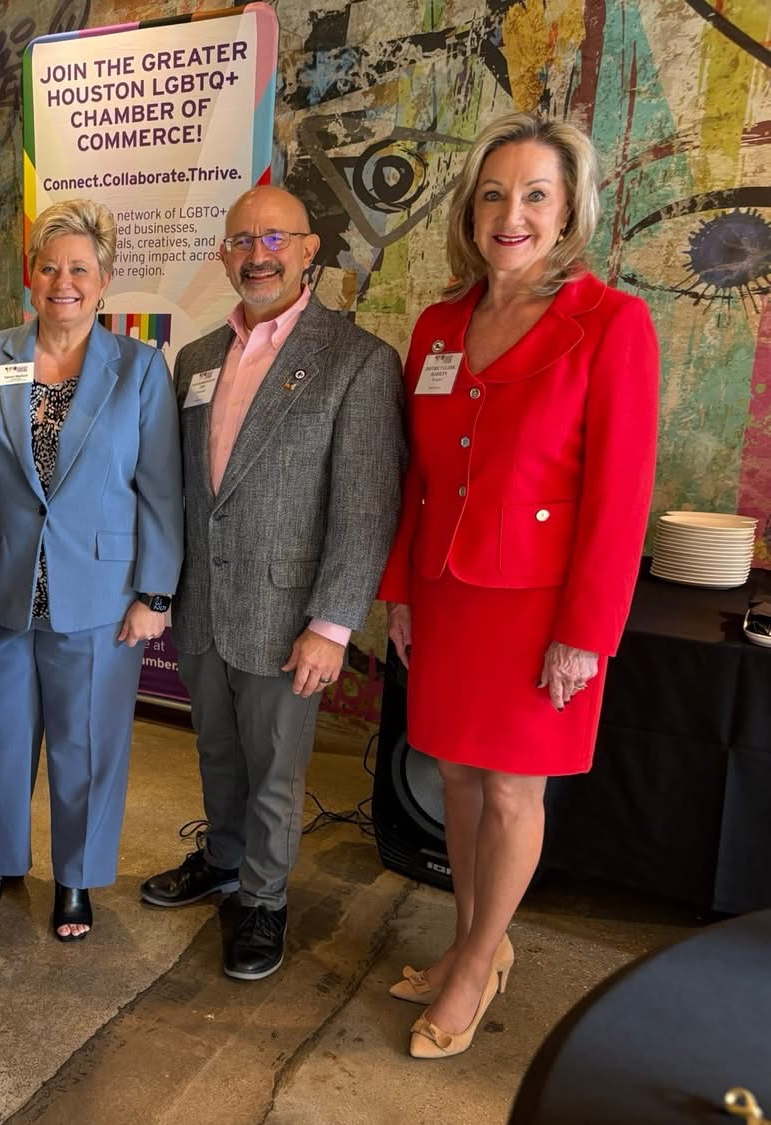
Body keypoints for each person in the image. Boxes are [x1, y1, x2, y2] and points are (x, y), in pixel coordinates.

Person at [379, 113, 658, 1059]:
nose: (513, 215)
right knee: (455, 776)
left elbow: (620, 495)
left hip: (542, 606)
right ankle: (474, 939)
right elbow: (418, 477)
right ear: (471, 211)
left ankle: (476, 961)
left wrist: (588, 630)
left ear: (569, 209)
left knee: (510, 792)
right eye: (495, 194)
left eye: (537, 195)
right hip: (447, 591)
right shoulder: (439, 325)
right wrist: (400, 588)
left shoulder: (611, 324)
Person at [140, 186, 405, 983]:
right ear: (224, 255)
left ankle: (262, 899)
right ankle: (223, 860)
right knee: (218, 753)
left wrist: (332, 625)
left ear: (308, 250)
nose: (258, 255)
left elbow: (366, 507)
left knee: (276, 772)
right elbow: (185, 491)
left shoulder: (357, 361)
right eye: (242, 240)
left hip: (288, 616)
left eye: (275, 239)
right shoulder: (196, 359)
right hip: (203, 606)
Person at [0, 198, 183, 941]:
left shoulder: (139, 368)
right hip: (0, 580)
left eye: (80, 269)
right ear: (31, 274)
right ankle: (2, 858)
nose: (63, 282)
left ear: (105, 279)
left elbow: (161, 486)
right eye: (49, 267)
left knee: (87, 743)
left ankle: (77, 876)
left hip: (101, 589)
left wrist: (155, 592)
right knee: (1, 738)